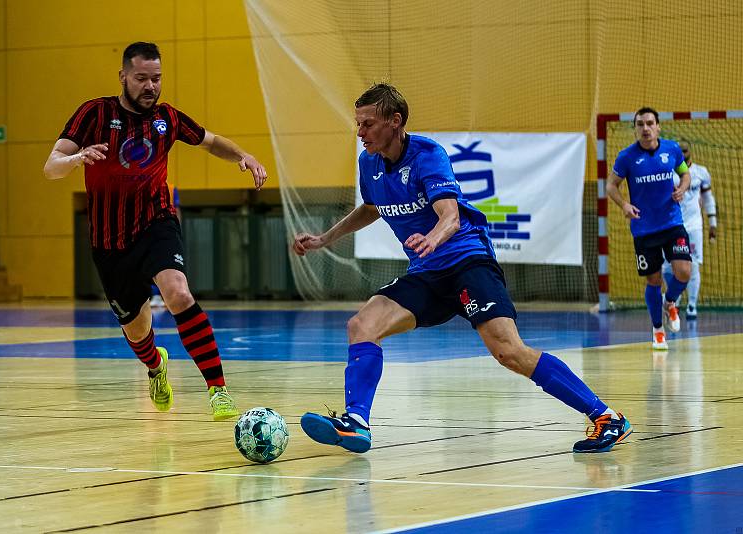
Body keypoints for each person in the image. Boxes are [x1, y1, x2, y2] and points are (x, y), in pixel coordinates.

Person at [292, 83, 632, 454]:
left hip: (467, 262)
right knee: (362, 325)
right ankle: (356, 423)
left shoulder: (427, 155)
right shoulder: (367, 163)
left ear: (395, 121)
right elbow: (372, 206)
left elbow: (450, 216)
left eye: (368, 124)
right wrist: (326, 238)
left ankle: (606, 417)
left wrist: (432, 239)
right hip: (427, 273)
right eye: (357, 124)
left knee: (509, 352)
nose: (360, 133)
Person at [43, 42, 267, 419]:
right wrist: (77, 158)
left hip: (155, 223)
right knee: (137, 330)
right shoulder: (94, 113)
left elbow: (211, 141)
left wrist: (243, 155)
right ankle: (155, 366)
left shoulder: (168, 118)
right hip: (109, 240)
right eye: (142, 78)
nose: (150, 86)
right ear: (123, 77)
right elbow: (51, 166)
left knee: (178, 292)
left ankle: (218, 390)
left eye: (157, 78)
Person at [607, 107, 692, 351]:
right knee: (653, 279)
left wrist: (683, 188)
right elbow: (611, 185)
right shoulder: (626, 157)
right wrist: (624, 204)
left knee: (684, 271)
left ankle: (671, 301)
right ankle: (657, 330)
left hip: (672, 223)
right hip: (644, 229)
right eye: (640, 124)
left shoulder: (672, 149)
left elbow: (685, 174)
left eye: (649, 123)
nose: (645, 128)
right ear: (635, 128)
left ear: (658, 126)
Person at [662, 141, 718, 319]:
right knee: (667, 267)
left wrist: (713, 222)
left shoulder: (701, 172)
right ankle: (674, 301)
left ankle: (692, 305)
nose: (683, 153)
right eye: (680, 151)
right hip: (671, 225)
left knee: (693, 265)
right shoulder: (667, 174)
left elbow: (708, 198)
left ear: (690, 152)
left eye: (685, 150)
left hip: (694, 226)